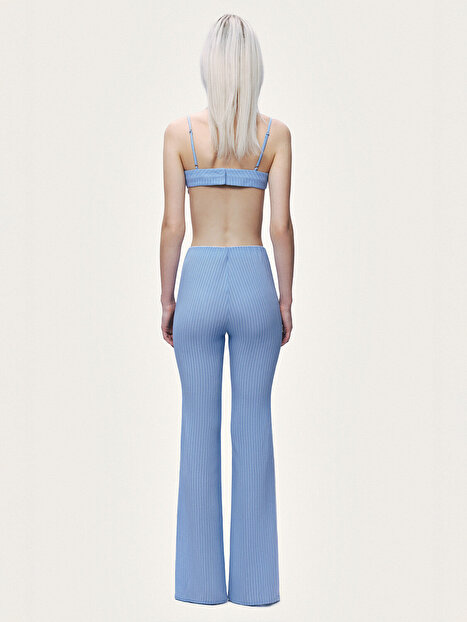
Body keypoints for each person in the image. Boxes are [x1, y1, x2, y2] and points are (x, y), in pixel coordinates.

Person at [159, 14, 294, 607]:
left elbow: (172, 225)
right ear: (253, 68)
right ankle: (256, 589)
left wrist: (167, 297)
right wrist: (285, 298)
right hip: (254, 277)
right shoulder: (275, 136)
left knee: (198, 431)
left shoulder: (179, 135)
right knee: (254, 430)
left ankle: (199, 587)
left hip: (199, 279)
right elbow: (281, 225)